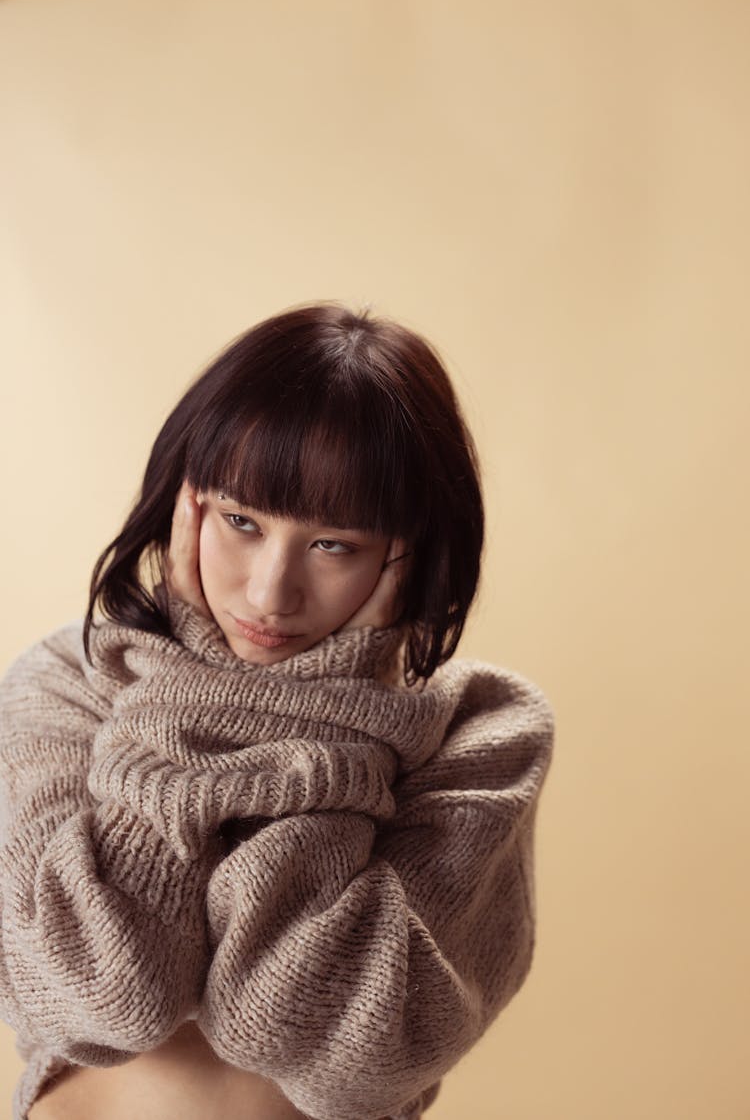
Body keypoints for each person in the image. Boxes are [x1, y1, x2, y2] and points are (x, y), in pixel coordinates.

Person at [0, 302, 555, 1120]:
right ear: (188, 506)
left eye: (335, 544)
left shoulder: (480, 736)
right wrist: (183, 709)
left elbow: (334, 1048)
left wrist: (329, 728)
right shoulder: (70, 682)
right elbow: (98, 998)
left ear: (412, 551)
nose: (270, 592)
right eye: (241, 521)